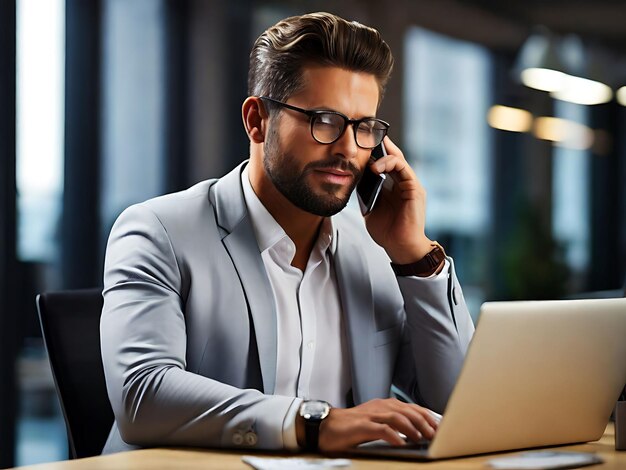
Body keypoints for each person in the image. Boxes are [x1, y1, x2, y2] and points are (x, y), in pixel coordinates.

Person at [100, 11, 474, 455]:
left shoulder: (374, 249)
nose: (347, 149)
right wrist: (315, 423)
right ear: (257, 120)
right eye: (325, 120)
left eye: (363, 128)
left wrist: (414, 254)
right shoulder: (156, 232)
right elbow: (143, 397)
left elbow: (458, 402)